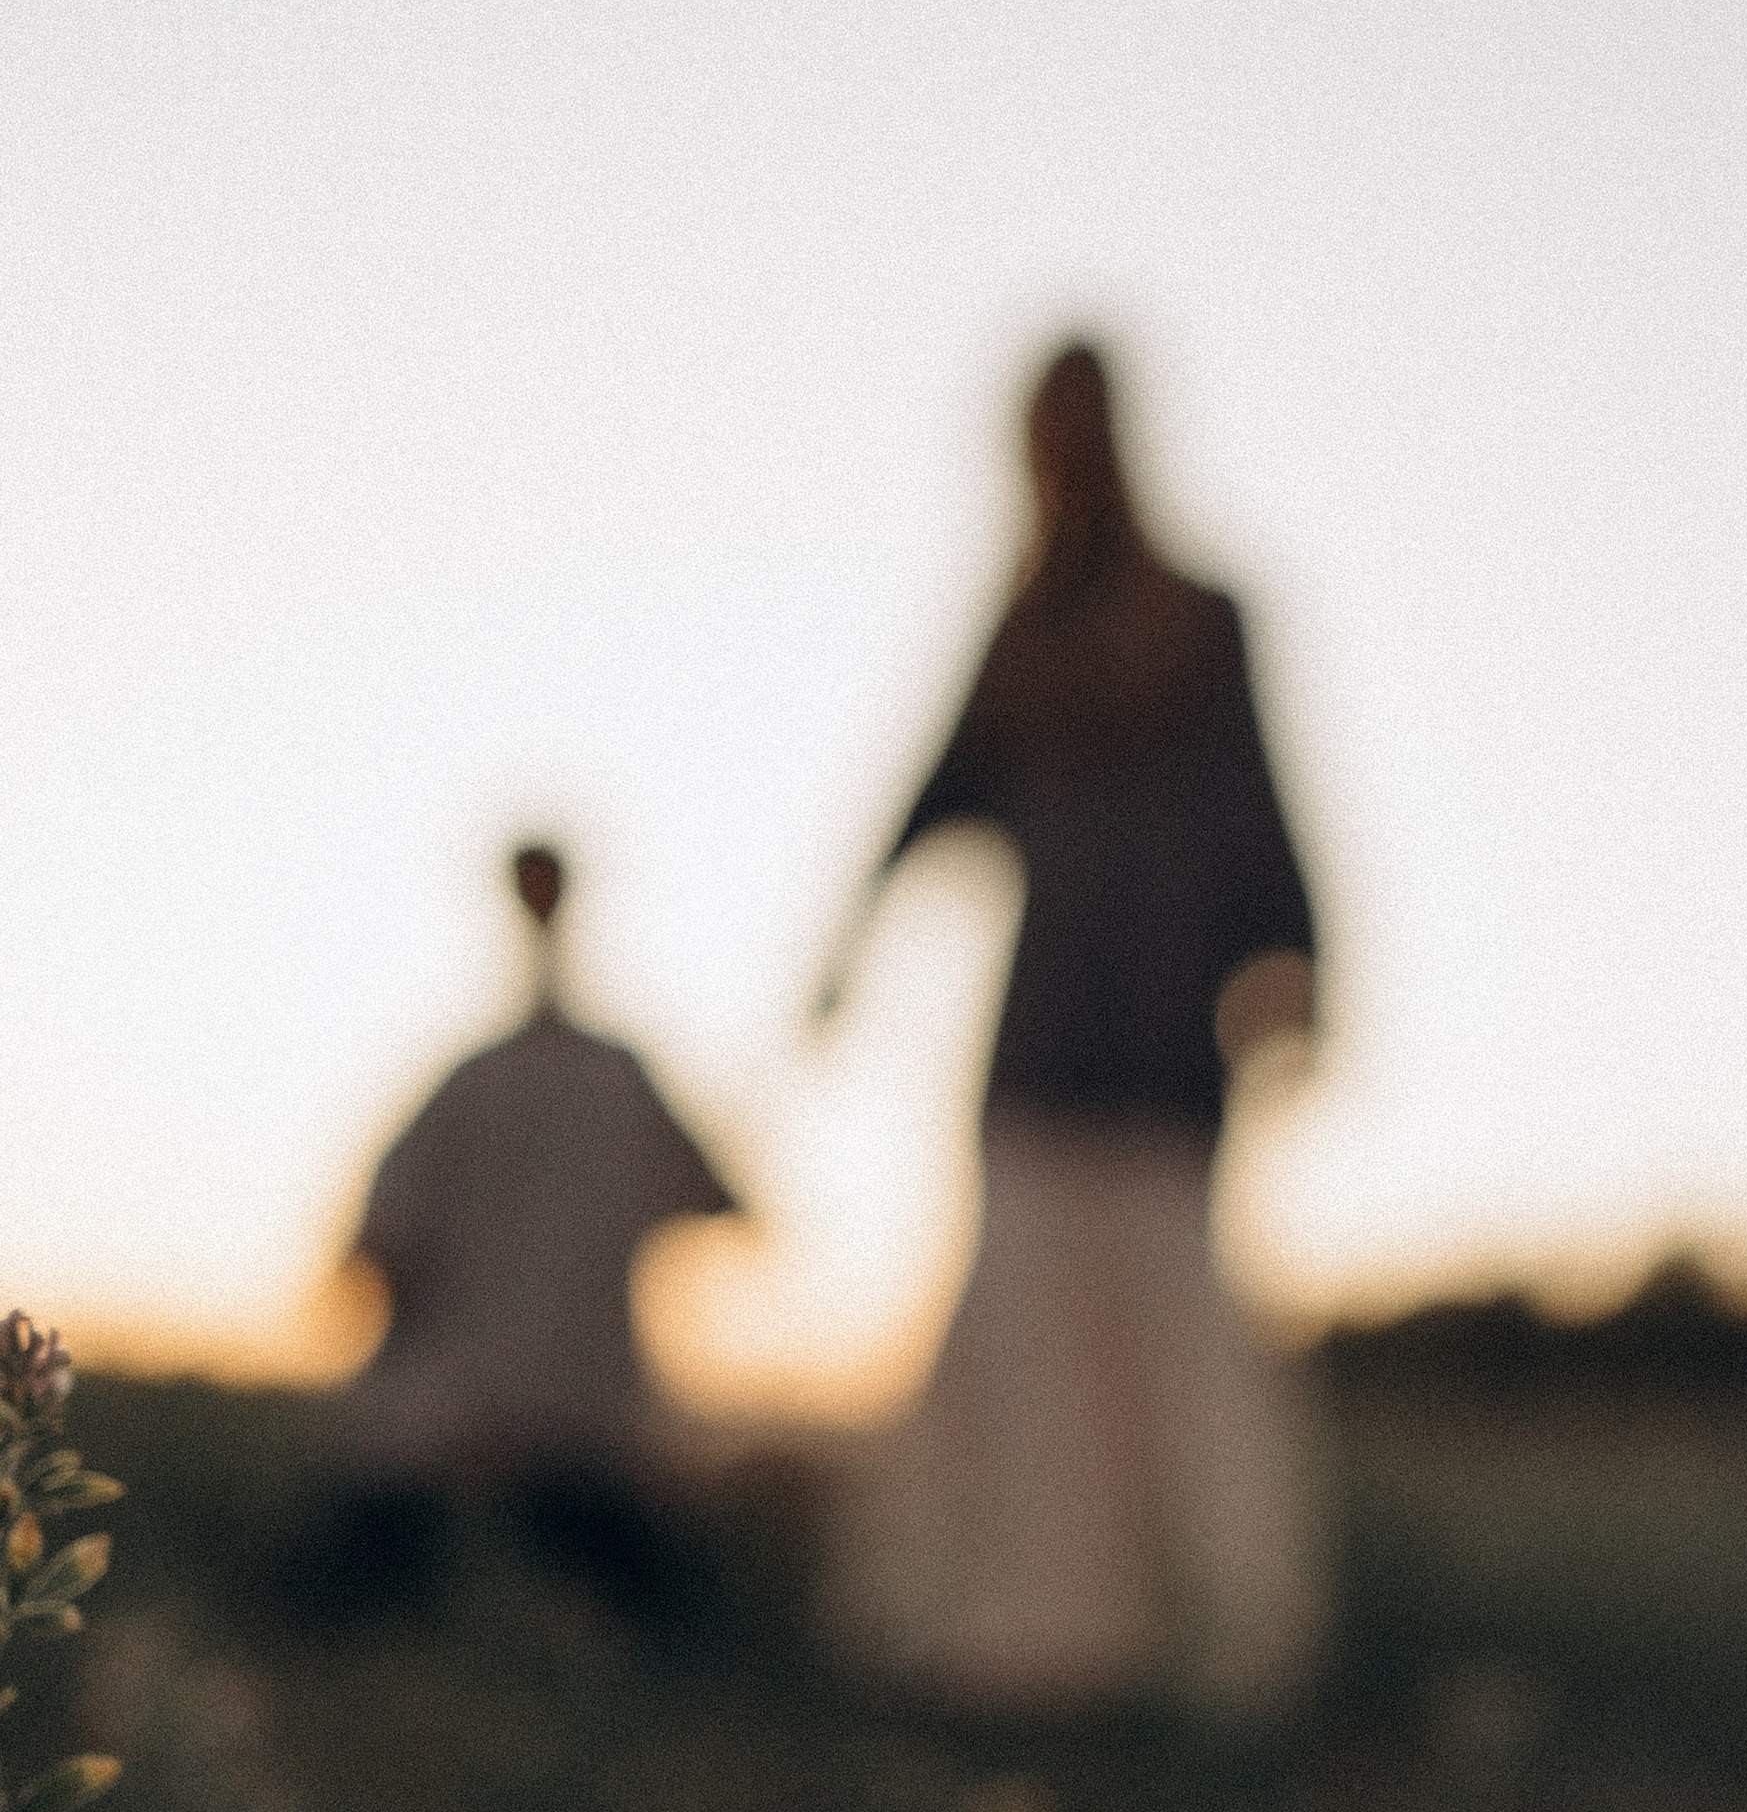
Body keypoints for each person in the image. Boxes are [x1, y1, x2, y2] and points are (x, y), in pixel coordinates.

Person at [810, 341, 1330, 1715]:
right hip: (1039, 1044)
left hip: (1165, 1040)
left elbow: (1261, 800)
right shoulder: (1021, 634)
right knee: (1026, 1331)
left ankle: (1227, 1644)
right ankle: (1038, 1640)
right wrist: (847, 952)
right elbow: (927, 794)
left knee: (1175, 1329)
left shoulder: (1204, 622)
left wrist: (1296, 964)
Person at [316, 842, 742, 1618]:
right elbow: (724, 1201)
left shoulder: (559, 1084)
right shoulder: (586, 1084)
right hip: (524, 1438)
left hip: (552, 1440)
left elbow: (375, 1254)